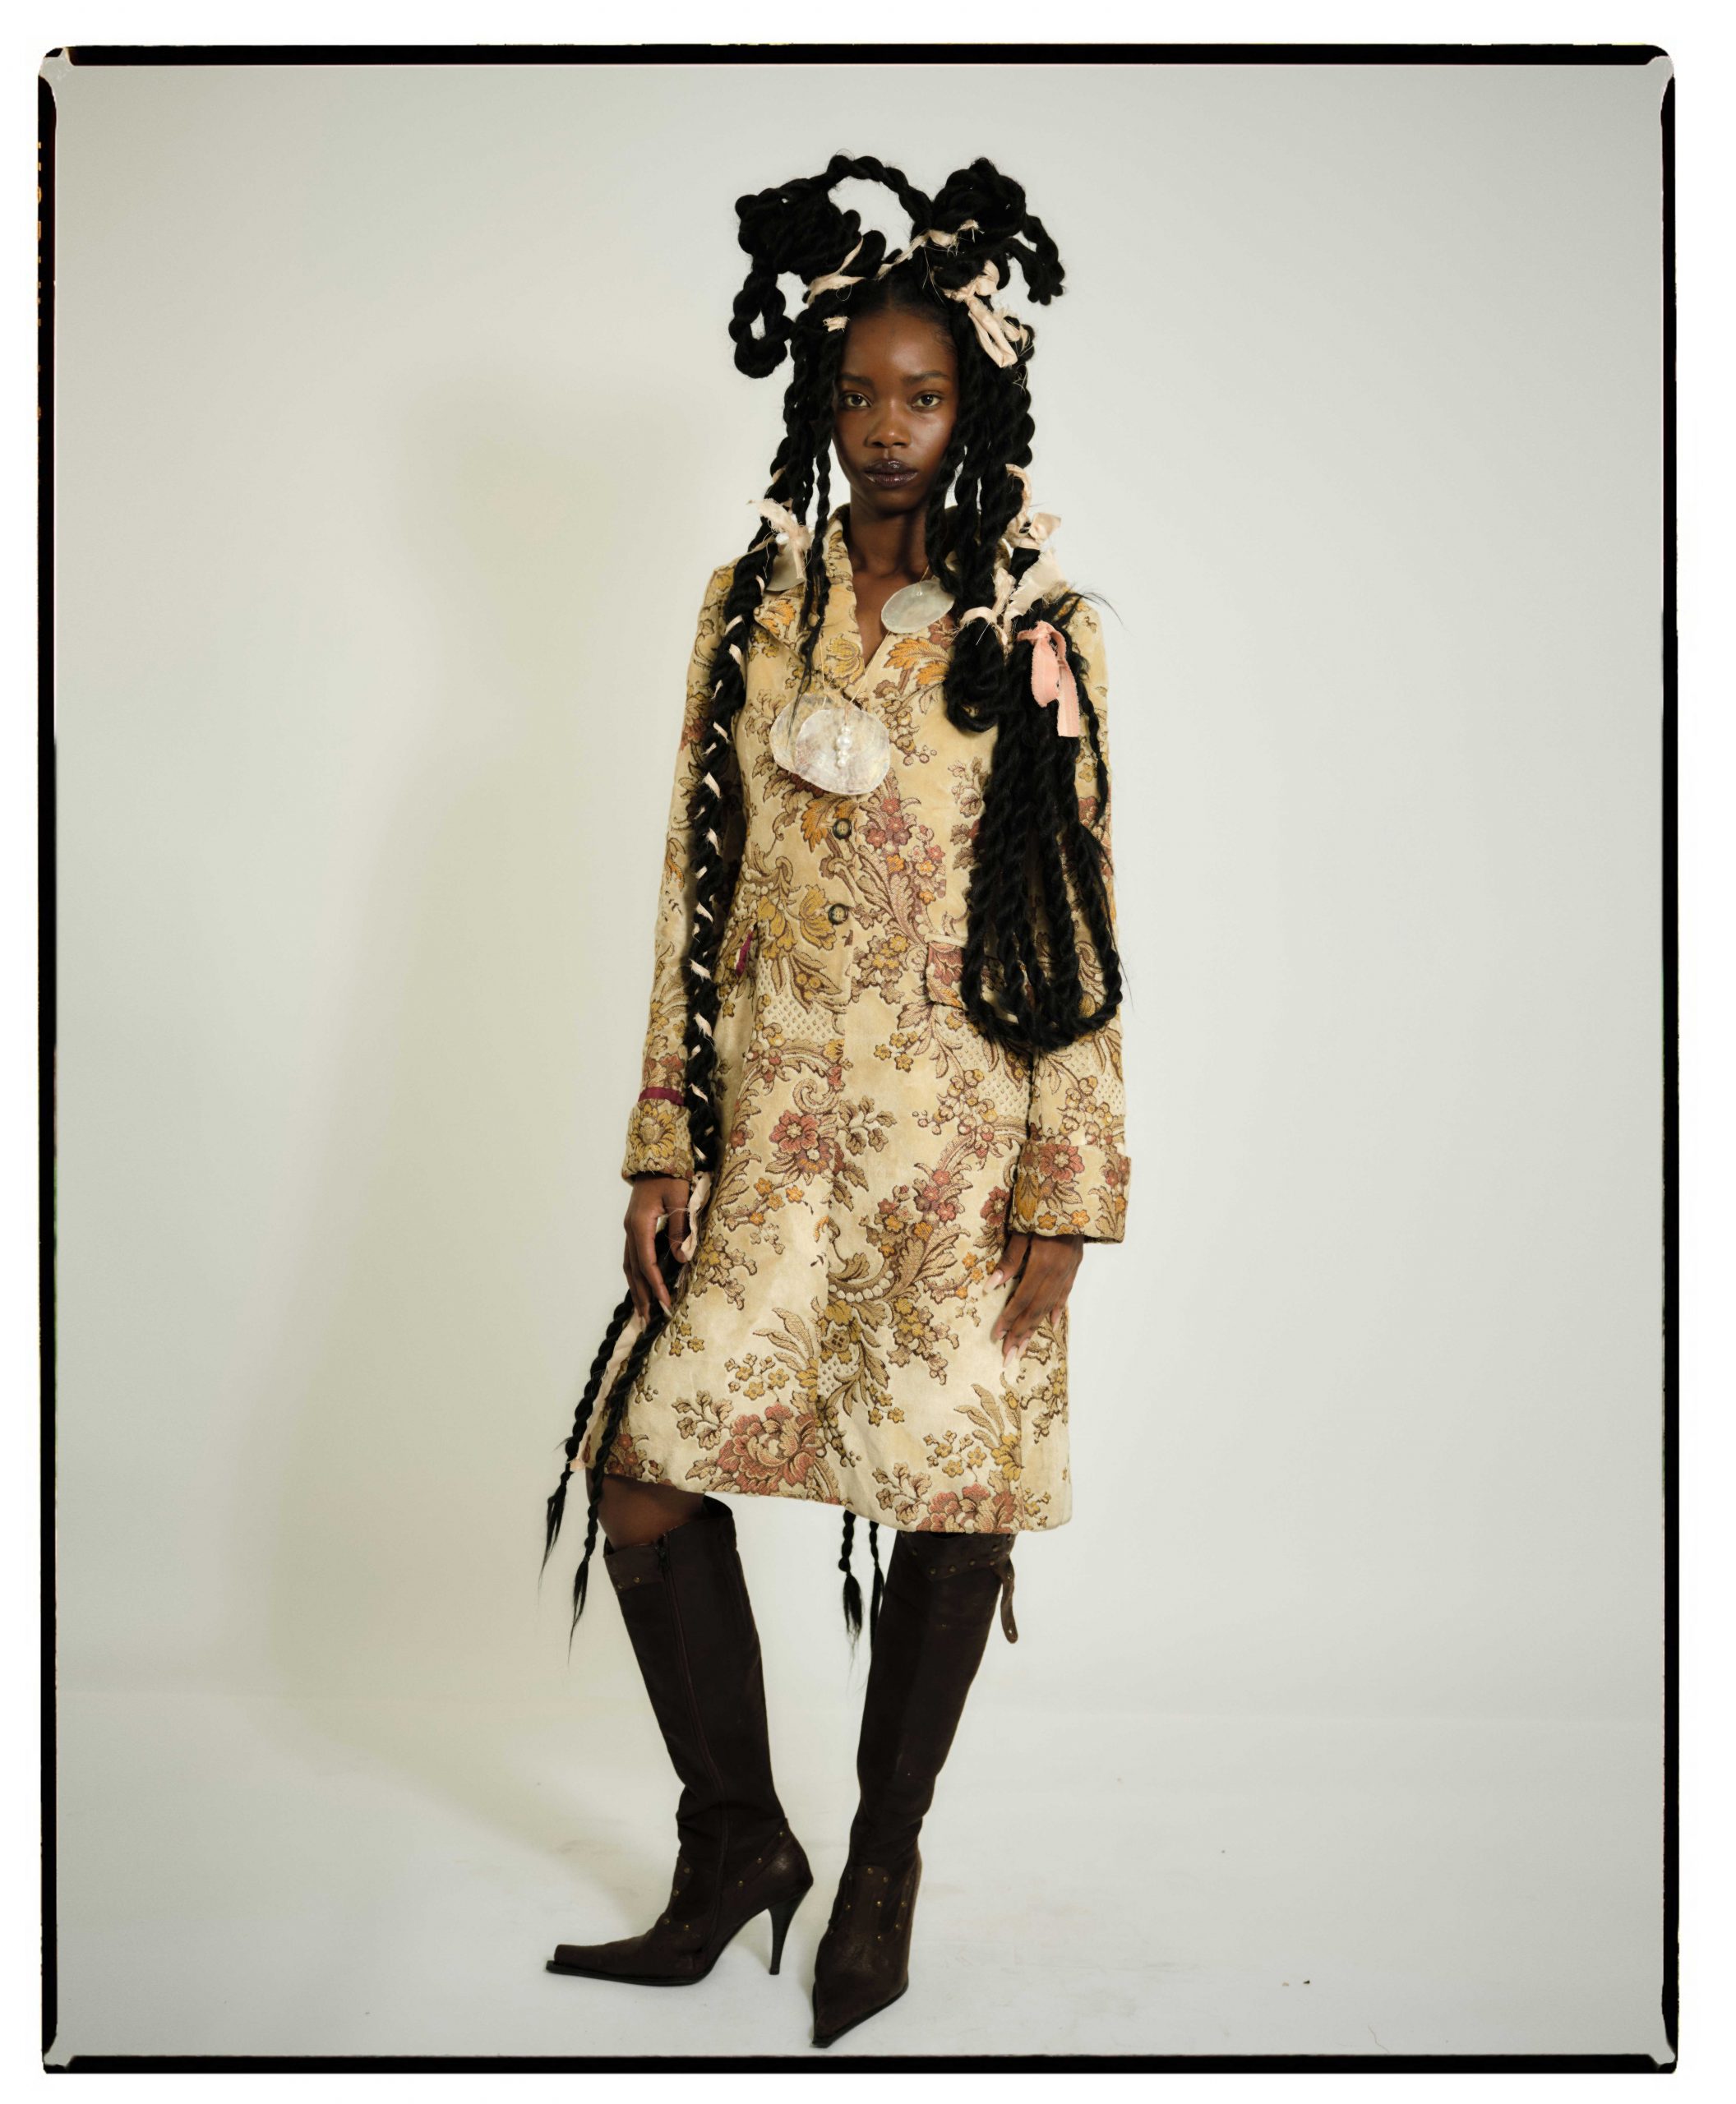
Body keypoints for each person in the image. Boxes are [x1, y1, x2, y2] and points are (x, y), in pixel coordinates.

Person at [538, 151, 1130, 2050]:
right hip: (777, 1134)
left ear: (974, 408)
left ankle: (883, 1861)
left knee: (953, 1498)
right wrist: (663, 1134)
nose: (886, 427)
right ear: (820, 397)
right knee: (645, 1470)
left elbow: (1081, 917)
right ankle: (737, 1842)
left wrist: (1072, 1178)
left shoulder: (1033, 627)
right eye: (860, 392)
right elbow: (686, 888)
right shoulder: (748, 610)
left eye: (922, 394)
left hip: (962, 1146)